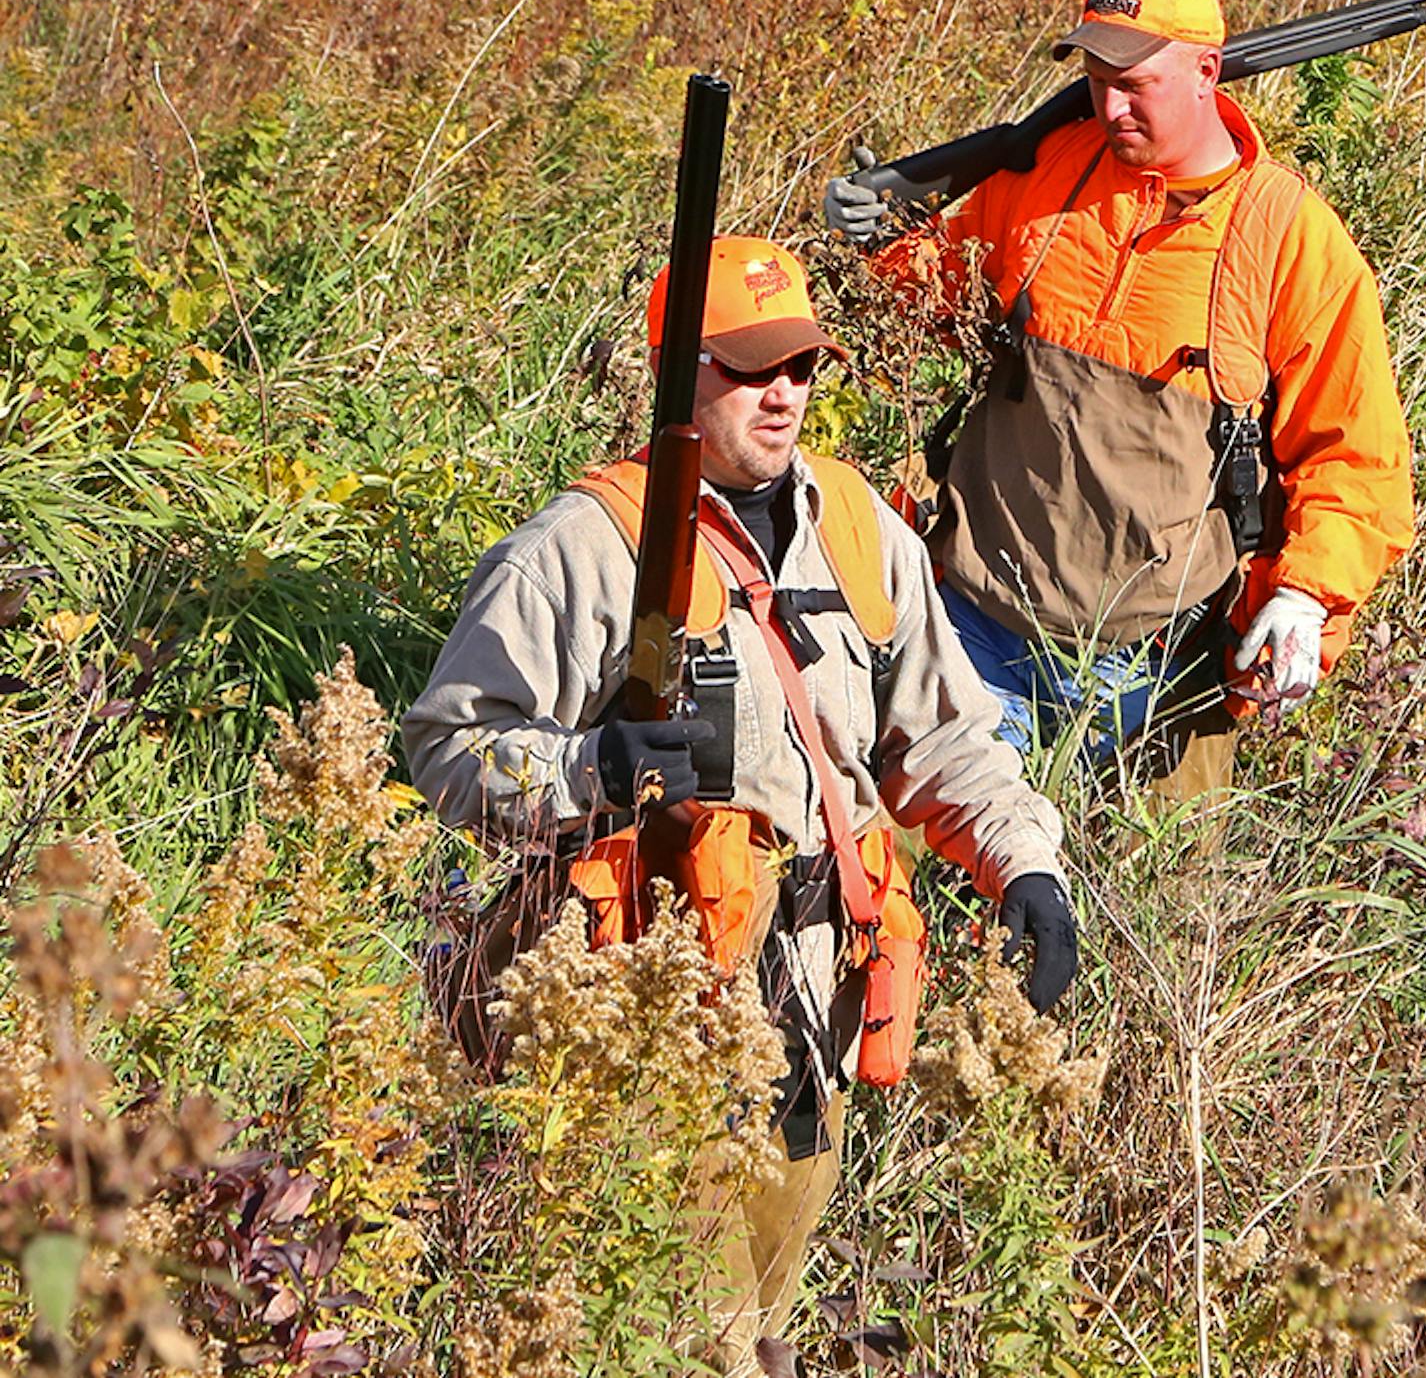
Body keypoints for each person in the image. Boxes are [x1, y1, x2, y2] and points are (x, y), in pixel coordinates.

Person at [401, 236, 1077, 1367]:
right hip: (655, 1019)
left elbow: (946, 742)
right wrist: (586, 773)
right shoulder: (587, 547)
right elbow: (447, 744)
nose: (785, 393)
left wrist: (1030, 868)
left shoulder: (863, 531)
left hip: (819, 1007)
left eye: (804, 366)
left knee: (768, 1324)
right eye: (751, 367)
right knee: (689, 1337)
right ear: (676, 374)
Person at [824, 0, 1414, 803]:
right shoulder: (1045, 175)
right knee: (929, 888)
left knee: (1144, 923)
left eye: (1137, 82)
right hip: (983, 625)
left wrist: (1306, 597)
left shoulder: (1292, 238)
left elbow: (1357, 461)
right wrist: (881, 241)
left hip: (1161, 670)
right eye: (1098, 77)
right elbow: (941, 304)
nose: (1109, 103)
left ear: (1209, 72)